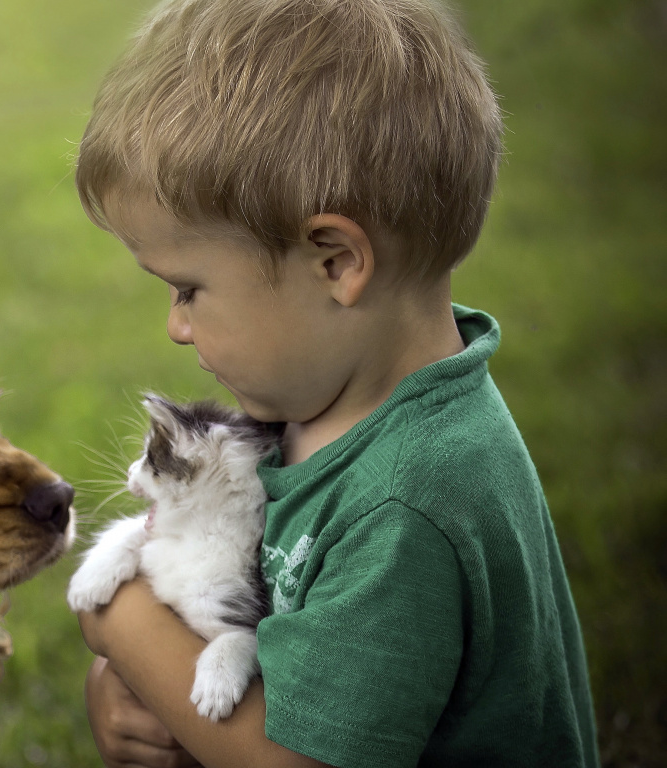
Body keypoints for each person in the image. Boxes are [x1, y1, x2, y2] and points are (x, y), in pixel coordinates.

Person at [69, 0, 598, 766]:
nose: (176, 327)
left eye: (188, 289)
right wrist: (125, 691)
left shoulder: (406, 502)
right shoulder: (317, 411)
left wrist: (119, 624)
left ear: (337, 263)